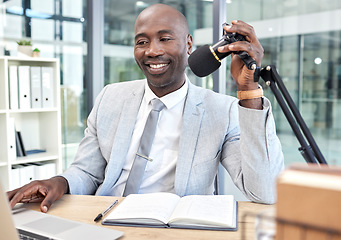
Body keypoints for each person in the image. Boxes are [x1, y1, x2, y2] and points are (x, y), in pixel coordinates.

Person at [8, 3, 284, 213]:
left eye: (165, 38)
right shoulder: (110, 98)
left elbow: (265, 191)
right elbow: (88, 172)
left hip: (176, 230)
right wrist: (60, 182)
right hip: (103, 218)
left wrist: (249, 91)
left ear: (188, 44)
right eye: (142, 41)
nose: (152, 51)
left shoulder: (222, 111)